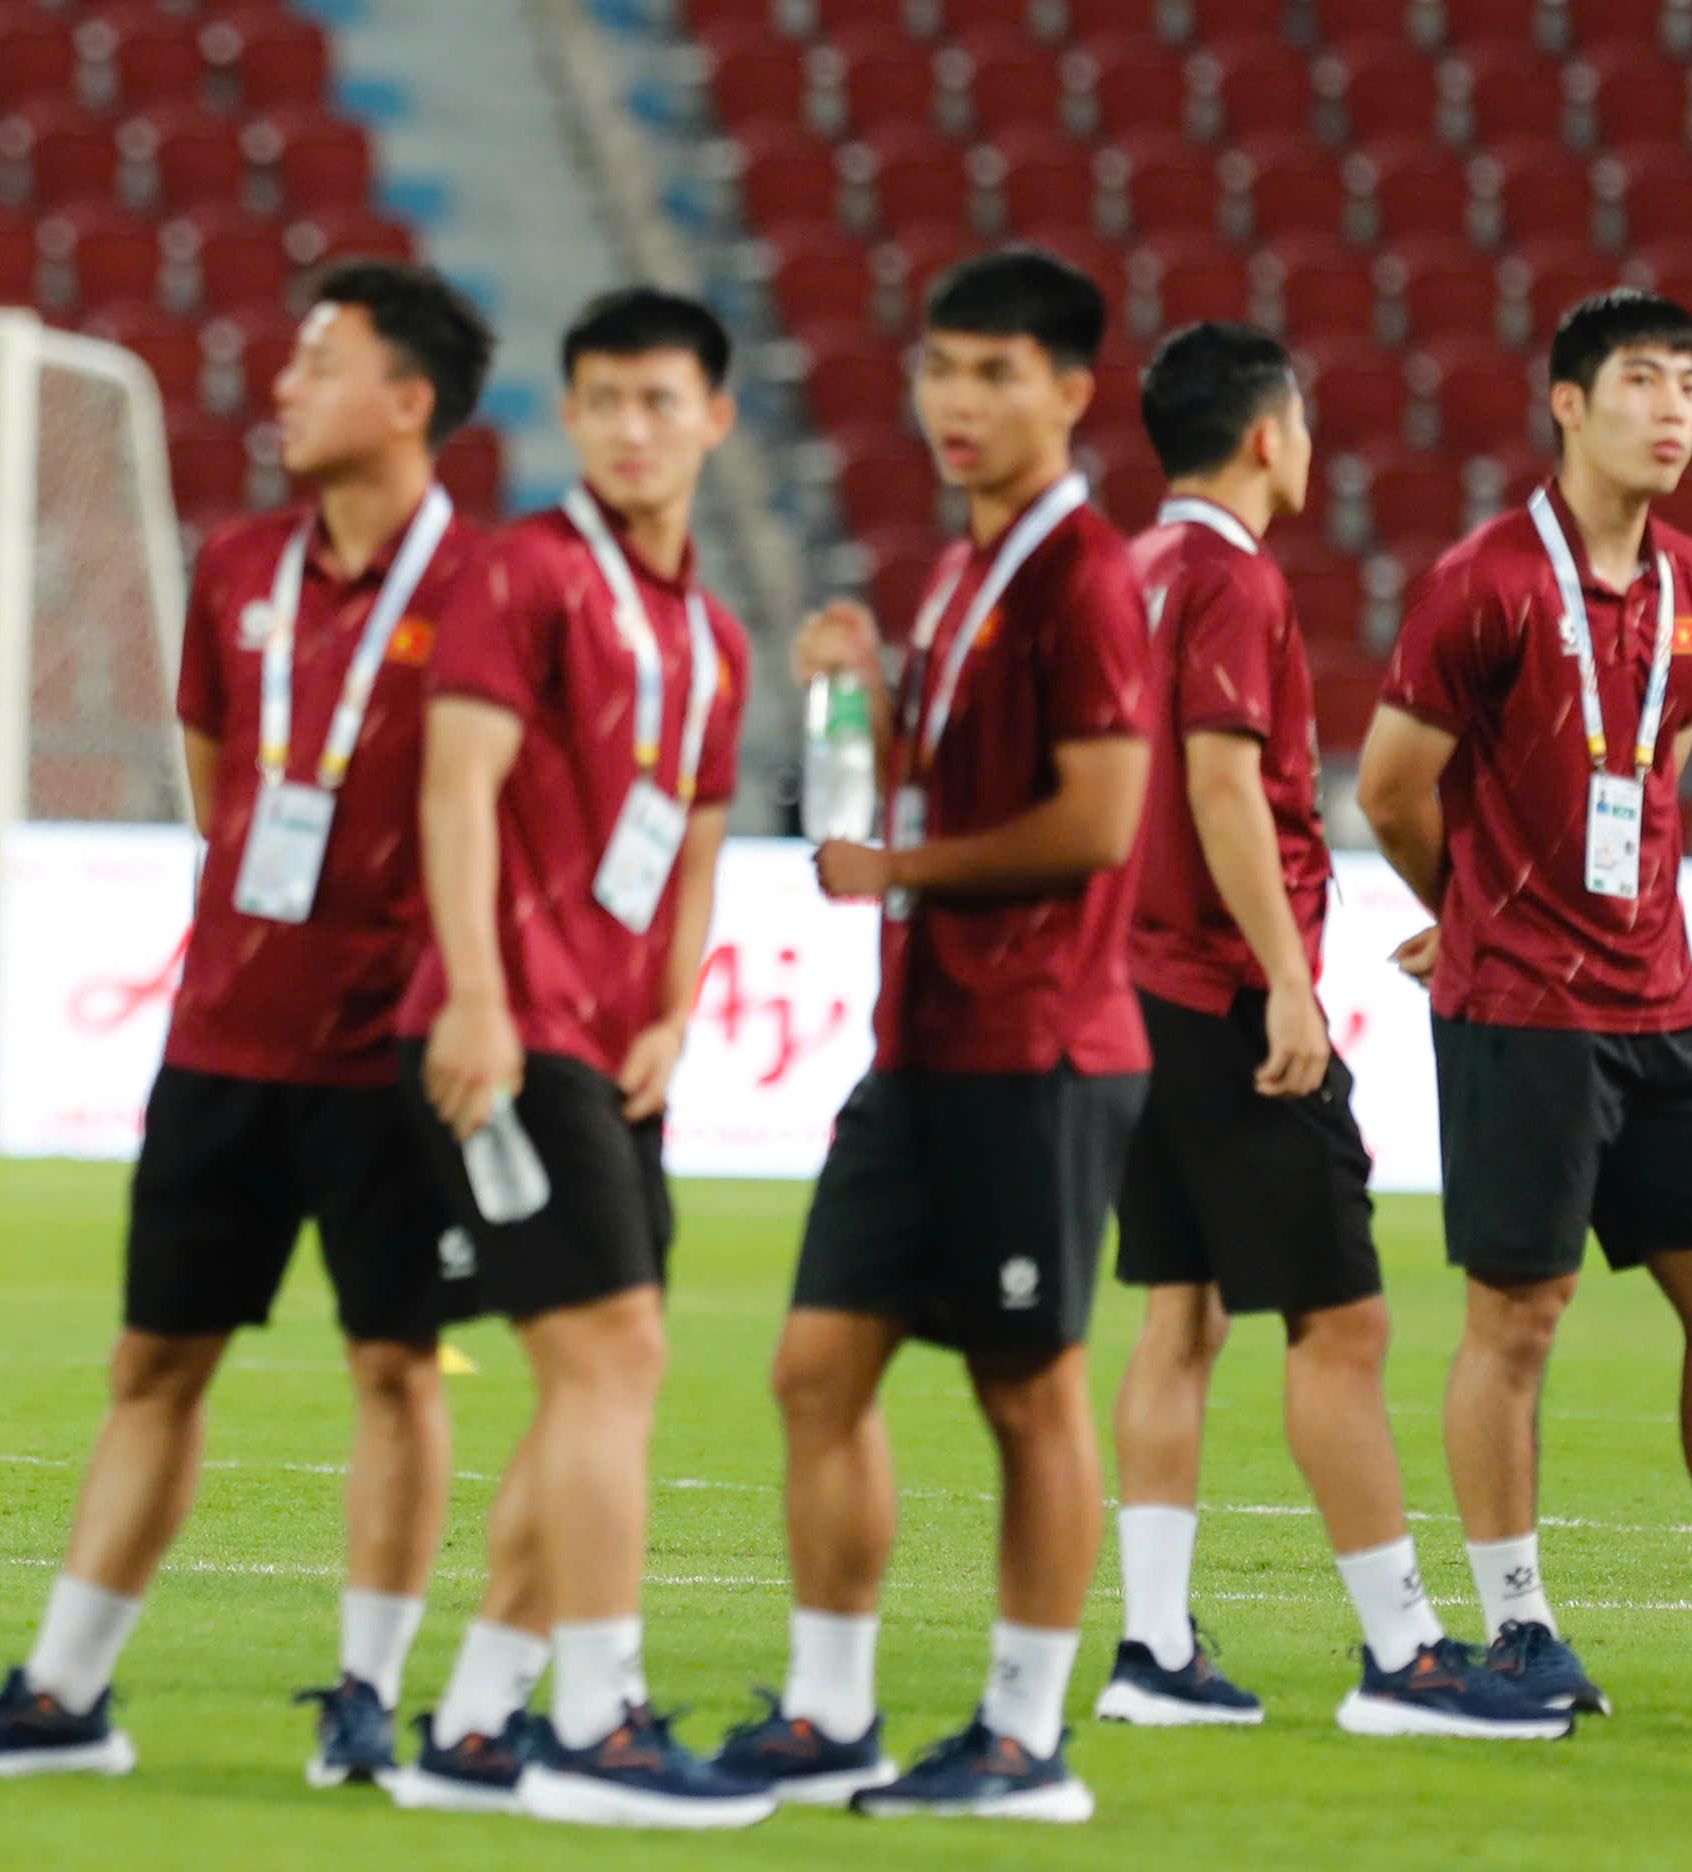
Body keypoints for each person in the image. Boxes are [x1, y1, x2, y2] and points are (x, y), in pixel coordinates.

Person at [0, 263, 498, 1780]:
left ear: (408, 400)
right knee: (154, 1368)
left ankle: (367, 1696)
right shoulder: (235, 567)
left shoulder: (491, 591)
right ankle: (64, 1696)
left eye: (321, 362)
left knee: (396, 1369)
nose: (284, 386)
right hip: (224, 1040)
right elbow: (220, 788)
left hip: (393, 1051)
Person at [1357, 288, 1692, 1720]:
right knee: (1519, 1318)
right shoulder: (1482, 580)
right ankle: (1519, 1630)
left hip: (1658, 1004)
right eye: (1641, 380)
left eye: (1691, 385)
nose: (1673, 410)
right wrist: (1474, 908)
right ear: (1569, 404)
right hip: (1521, 1007)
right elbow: (1390, 787)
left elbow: (1656, 763)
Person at [711, 247, 1150, 1822]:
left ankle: (1024, 1741)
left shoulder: (1083, 575)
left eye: (998, 373)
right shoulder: (964, 569)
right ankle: (832, 1717)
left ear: (1072, 392)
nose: (959, 401)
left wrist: (897, 872)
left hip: (1038, 1045)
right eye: (942, 368)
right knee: (816, 1371)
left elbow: (1099, 821)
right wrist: (869, 704)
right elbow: (959, 779)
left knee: (1030, 1394)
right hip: (924, 1049)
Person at [1095, 322, 1566, 1739]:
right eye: (1298, 422)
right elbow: (1222, 788)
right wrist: (1285, 982)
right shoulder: (1232, 579)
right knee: (1340, 1323)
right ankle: (1404, 1656)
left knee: (1181, 1314)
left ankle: (1153, 1650)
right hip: (1220, 992)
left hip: (1126, 990)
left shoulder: (1123, 571)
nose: (1307, 445)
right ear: (1265, 436)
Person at [390, 287, 764, 1828]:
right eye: (601, 400)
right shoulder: (525, 573)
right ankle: (598, 1723)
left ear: (715, 419)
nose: (628, 428)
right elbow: (455, 789)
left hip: (612, 1050)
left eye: (658, 400)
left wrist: (671, 1014)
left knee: (597, 1381)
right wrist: (477, 997)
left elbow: (697, 848)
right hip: (507, 1032)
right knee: (612, 1362)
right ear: (570, 415)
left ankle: (480, 1725)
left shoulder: (714, 639)